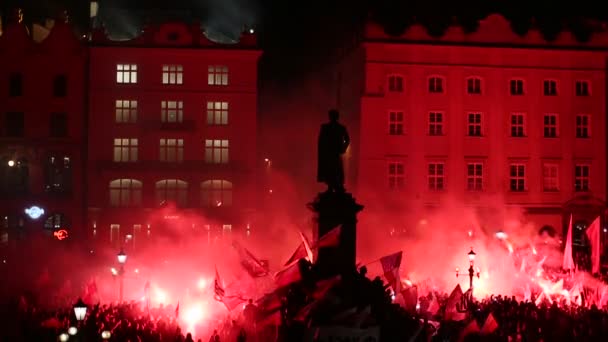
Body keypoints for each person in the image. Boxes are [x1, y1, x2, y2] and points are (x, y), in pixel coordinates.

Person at [317, 109, 350, 193]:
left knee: (334, 170)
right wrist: (343, 148)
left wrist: (343, 148)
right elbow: (347, 139)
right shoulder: (339, 128)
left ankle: (334, 187)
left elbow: (347, 139)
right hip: (332, 153)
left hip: (332, 153)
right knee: (333, 170)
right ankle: (333, 187)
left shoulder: (327, 128)